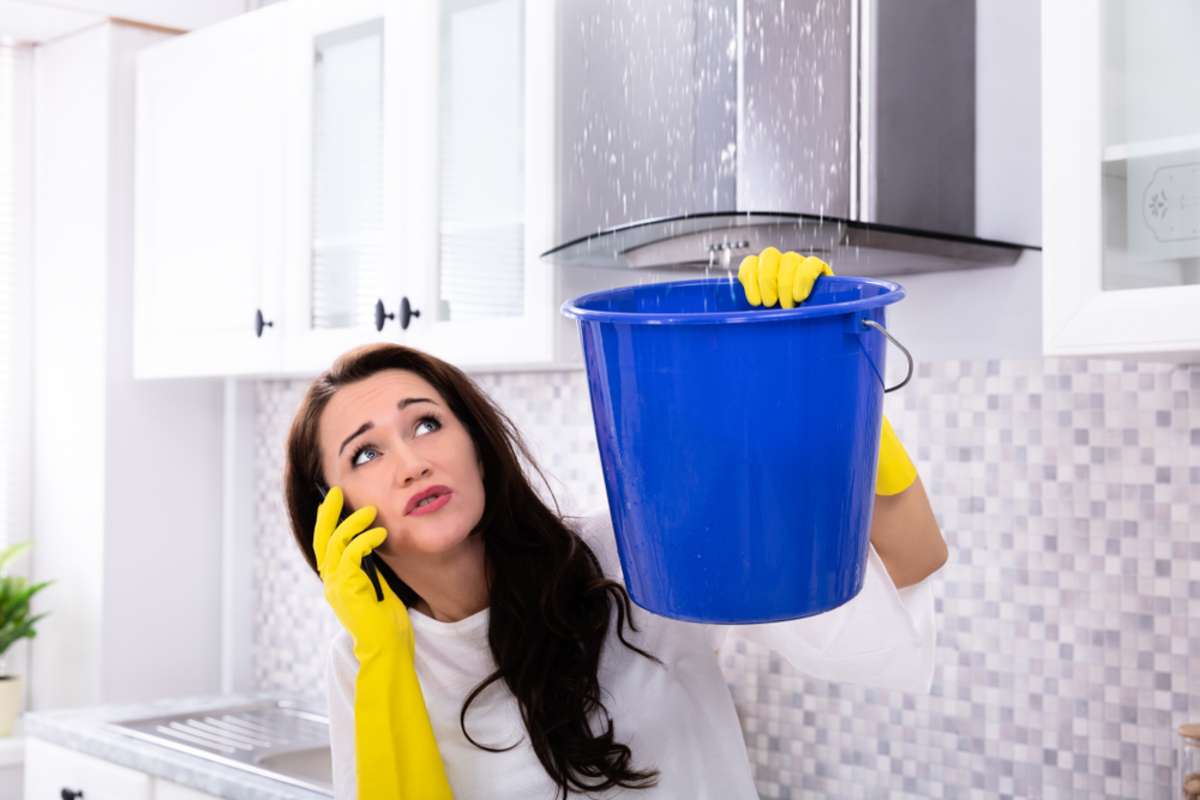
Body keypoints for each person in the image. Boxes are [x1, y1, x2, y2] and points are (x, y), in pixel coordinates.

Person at [282, 251, 949, 799]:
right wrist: (384, 655)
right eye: (364, 453)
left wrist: (829, 384)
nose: (410, 462)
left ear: (477, 447)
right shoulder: (367, 661)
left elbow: (910, 560)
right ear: (331, 510)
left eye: (426, 423)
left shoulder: (630, 553)